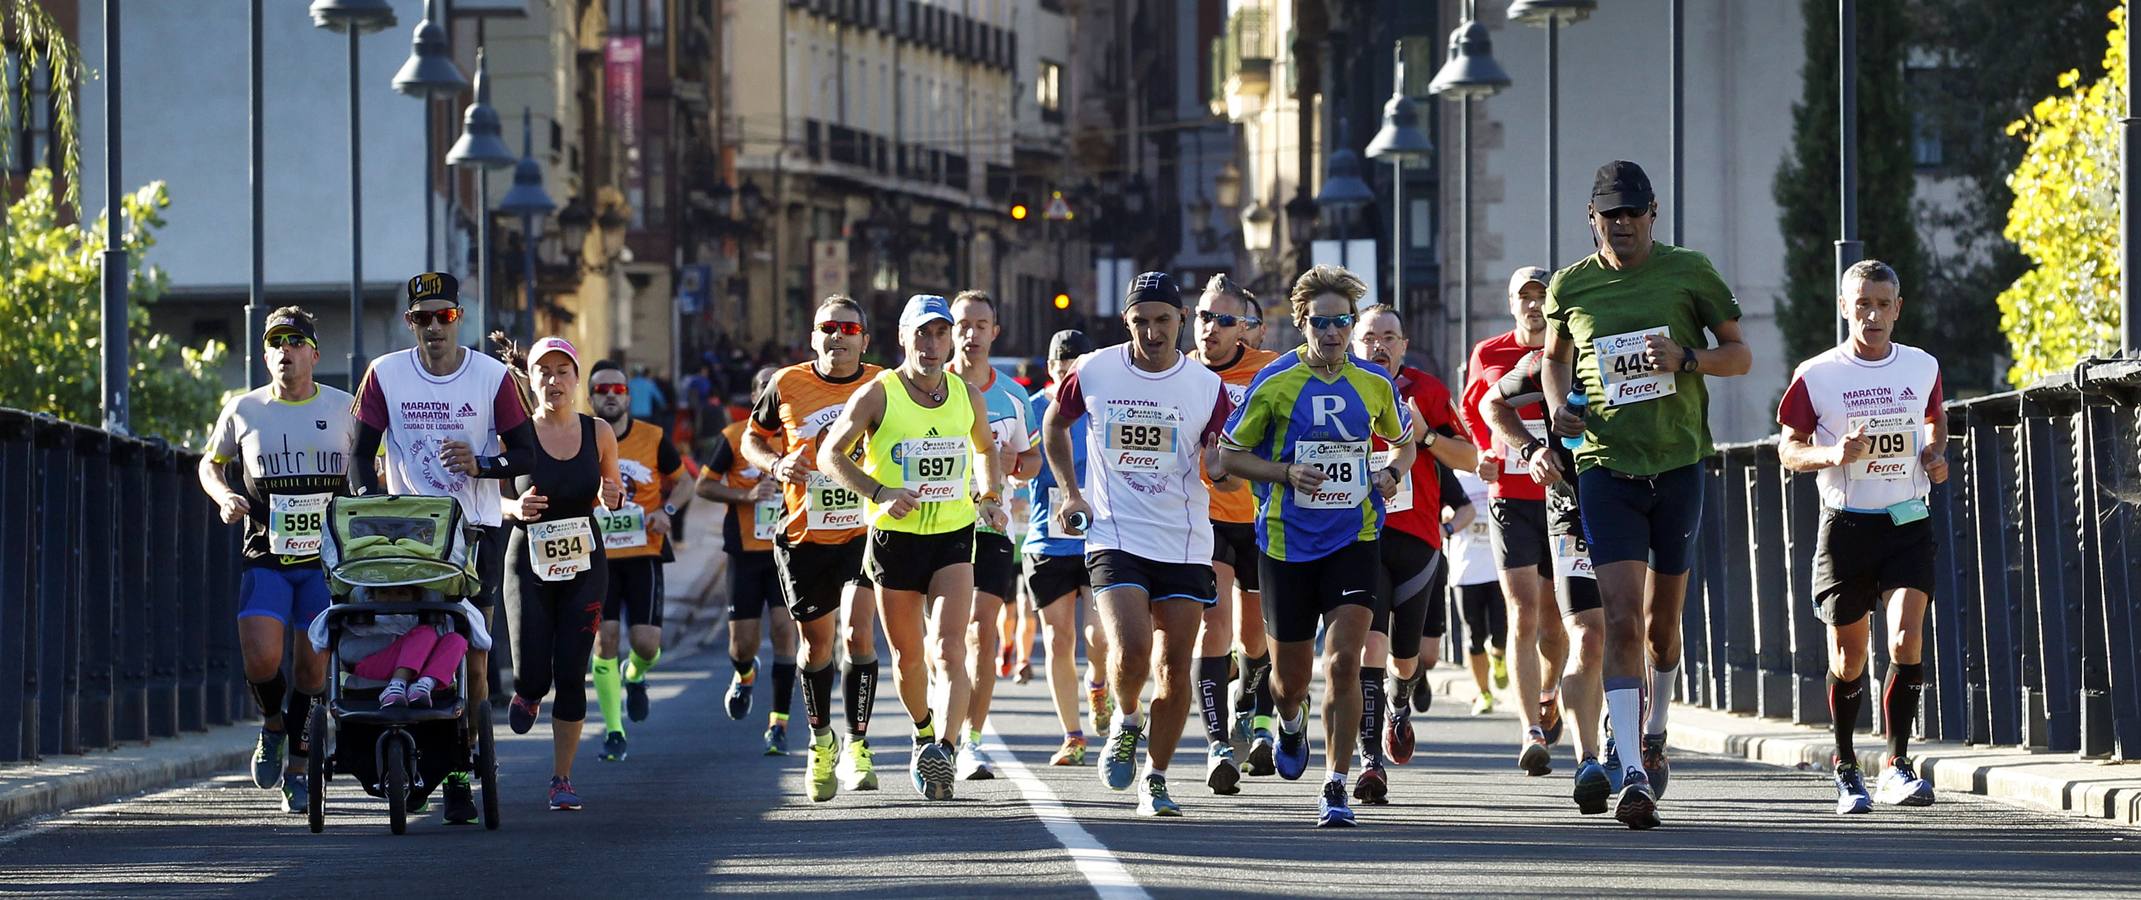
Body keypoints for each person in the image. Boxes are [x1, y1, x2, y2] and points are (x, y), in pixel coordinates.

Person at [1541, 159, 1753, 829]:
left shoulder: (1689, 272)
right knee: (1621, 618)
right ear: (1592, 219)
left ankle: (1653, 727)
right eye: (1611, 214)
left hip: (1679, 462)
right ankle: (1630, 767)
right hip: (1605, 467)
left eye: (1633, 212)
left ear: (1652, 214)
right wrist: (1558, 411)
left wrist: (1685, 358)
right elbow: (1551, 358)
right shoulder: (1569, 286)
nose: (1623, 224)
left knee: (1663, 631)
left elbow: (1739, 354)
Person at [1218, 265, 1413, 827]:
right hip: (1285, 543)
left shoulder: (1374, 383)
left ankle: (1335, 784)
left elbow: (1403, 446)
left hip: (1355, 537)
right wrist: (1283, 473)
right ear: (1302, 322)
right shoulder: (1275, 381)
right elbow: (1230, 457)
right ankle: (1290, 718)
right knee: (1290, 681)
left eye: (1342, 322)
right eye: (1322, 323)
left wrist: (1391, 474)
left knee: (1345, 661)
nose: (1333, 333)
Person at [1043, 272, 1234, 818]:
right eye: (1140, 321)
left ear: (1181, 322)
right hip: (1115, 532)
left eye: (1163, 321)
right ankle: (1127, 720)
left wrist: (1221, 470)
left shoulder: (1206, 387)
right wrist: (1070, 492)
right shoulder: (1095, 369)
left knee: (1176, 666)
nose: (1152, 332)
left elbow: (1222, 455)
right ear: (1126, 322)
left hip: (1185, 539)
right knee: (1130, 650)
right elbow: (1055, 426)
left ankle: (1157, 778)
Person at [350, 272, 535, 825]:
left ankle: (458, 769)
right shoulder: (384, 374)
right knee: (411, 633)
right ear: (411, 323)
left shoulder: (492, 376)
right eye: (422, 318)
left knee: (472, 653)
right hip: (406, 533)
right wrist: (367, 501)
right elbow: (361, 451)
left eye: (444, 316)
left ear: (460, 319)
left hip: (474, 527)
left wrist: (482, 465)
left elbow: (524, 453)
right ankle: (410, 750)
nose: (434, 327)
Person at [817, 294, 1009, 802]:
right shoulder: (878, 395)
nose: (932, 344)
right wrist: (879, 492)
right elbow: (828, 454)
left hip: (952, 536)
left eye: (940, 334)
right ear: (903, 337)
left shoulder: (966, 396)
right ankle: (923, 730)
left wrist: (988, 496)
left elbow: (987, 448)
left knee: (950, 647)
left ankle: (943, 751)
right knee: (908, 659)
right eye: (922, 334)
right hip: (893, 540)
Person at [1775, 259, 1946, 815]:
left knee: (1903, 639)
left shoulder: (1921, 366)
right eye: (1862, 303)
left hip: (1906, 520)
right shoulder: (1818, 373)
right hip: (1846, 525)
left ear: (1899, 309)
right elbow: (1787, 449)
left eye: (1883, 304)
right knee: (1849, 659)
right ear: (1845, 307)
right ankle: (1847, 766)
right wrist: (1832, 454)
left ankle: (1898, 763)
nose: (1873, 315)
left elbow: (1935, 422)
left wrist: (1935, 455)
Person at [200, 307, 355, 814]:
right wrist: (224, 496)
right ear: (266, 355)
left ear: (313, 352)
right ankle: (273, 728)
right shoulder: (243, 409)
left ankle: (299, 765)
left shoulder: (344, 409)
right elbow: (210, 462)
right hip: (266, 552)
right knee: (262, 657)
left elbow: (373, 467)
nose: (284, 351)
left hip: (324, 562)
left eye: (294, 341)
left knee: (312, 670)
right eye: (274, 343)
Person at [744, 296, 885, 802]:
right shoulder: (787, 383)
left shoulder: (883, 383)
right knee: (816, 646)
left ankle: (858, 744)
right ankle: (820, 741)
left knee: (858, 630)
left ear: (864, 340)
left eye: (849, 328)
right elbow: (751, 440)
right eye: (828, 327)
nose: (837, 336)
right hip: (805, 535)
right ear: (813, 337)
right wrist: (777, 465)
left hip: (865, 530)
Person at [1350, 305, 1476, 804]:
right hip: (1360, 536)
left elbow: (1470, 458)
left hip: (1419, 538)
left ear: (1404, 345)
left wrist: (1425, 434)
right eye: (1369, 336)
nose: (1379, 345)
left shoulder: (1429, 391)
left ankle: (1400, 704)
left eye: (1389, 337)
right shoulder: (1338, 391)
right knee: (1370, 648)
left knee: (1405, 660)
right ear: (1355, 342)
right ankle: (1369, 762)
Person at [494, 336, 623, 811]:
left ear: (576, 379)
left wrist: (613, 496)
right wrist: (514, 506)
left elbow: (612, 488)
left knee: (571, 672)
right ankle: (527, 693)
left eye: (562, 371)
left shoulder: (599, 432)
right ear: (530, 380)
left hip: (585, 563)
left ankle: (562, 778)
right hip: (526, 560)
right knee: (532, 674)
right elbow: (492, 499)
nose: (554, 380)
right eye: (543, 372)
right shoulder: (515, 434)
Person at [1484, 347, 1613, 813]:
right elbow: (1487, 405)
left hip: (1640, 500)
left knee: (1637, 629)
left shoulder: (1643, 336)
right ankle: (1575, 751)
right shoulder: (1539, 360)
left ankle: (1637, 735)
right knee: (1573, 629)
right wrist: (1531, 449)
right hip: (1558, 505)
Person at [1461, 266, 1570, 777]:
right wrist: (1484, 455)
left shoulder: (1568, 350)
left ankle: (1550, 690)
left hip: (1563, 495)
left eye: (1539, 296)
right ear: (1510, 304)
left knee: (1554, 616)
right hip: (1510, 495)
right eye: (1522, 297)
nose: (1531, 305)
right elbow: (1475, 412)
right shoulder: (1488, 354)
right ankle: (1529, 729)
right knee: (1523, 611)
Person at [1187, 274, 1280, 789]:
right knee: (1214, 627)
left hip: (1266, 519)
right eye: (1204, 316)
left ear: (1245, 329)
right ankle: (1218, 746)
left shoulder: (1270, 370)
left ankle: (1261, 718)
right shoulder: (1180, 373)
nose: (1211, 328)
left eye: (1224, 320)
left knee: (1256, 634)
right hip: (1208, 518)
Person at [947, 291, 1040, 781]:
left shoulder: (1013, 395)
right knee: (942, 640)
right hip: (935, 527)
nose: (971, 334)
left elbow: (1032, 461)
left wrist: (1013, 465)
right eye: (963, 324)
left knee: (982, 631)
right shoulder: (929, 390)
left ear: (994, 332)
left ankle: (972, 741)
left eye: (981, 325)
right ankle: (936, 731)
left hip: (991, 525)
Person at [583, 359, 693, 763]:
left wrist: (668, 512)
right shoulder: (577, 435)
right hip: (597, 556)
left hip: (643, 552)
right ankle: (614, 731)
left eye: (618, 390)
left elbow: (685, 482)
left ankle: (636, 674)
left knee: (646, 644)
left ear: (628, 395)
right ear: (590, 396)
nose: (610, 396)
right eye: (602, 391)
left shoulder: (653, 437)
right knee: (604, 639)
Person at [700, 367, 801, 755]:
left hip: (787, 550)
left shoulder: (800, 434)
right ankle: (745, 675)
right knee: (742, 645)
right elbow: (703, 485)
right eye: (764, 390)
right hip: (744, 553)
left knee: (782, 630)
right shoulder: (734, 437)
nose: (771, 397)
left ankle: (779, 724)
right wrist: (746, 496)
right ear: (755, 396)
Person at [1024, 329, 1110, 766]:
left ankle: (1098, 683)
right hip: (1046, 539)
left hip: (1097, 539)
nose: (1068, 378)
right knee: (1059, 640)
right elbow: (1017, 466)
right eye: (1061, 370)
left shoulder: (1101, 409)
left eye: (1075, 369)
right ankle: (1072, 736)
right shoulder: (1035, 410)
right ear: (1051, 369)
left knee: (1099, 635)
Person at [1445, 467, 1506, 715]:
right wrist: (1449, 515)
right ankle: (1483, 692)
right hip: (1466, 571)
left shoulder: (1496, 472)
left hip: (1498, 568)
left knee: (1503, 631)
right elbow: (1439, 512)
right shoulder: (1455, 478)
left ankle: (1499, 655)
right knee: (1473, 636)